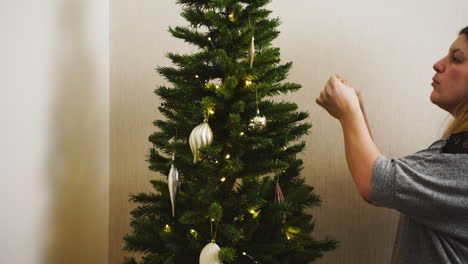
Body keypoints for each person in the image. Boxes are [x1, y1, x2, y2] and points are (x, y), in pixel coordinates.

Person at [316, 26, 468, 263]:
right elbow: (385, 188)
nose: (439, 64)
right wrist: (356, 109)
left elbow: (375, 182)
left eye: (456, 59)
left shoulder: (461, 156)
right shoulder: (455, 146)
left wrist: (349, 112)